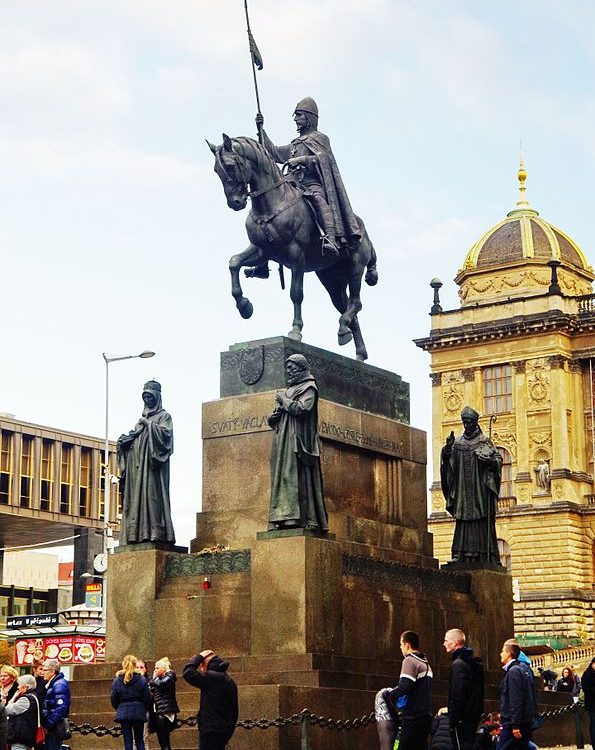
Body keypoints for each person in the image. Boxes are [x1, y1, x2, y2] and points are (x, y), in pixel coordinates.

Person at [256, 97, 360, 262]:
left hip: (311, 184)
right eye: (296, 116)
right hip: (292, 184)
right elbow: (273, 152)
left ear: (309, 118)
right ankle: (263, 254)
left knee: (319, 201)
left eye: (299, 116)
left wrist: (301, 160)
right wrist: (261, 129)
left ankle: (331, 239)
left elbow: (323, 159)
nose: (296, 119)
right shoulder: (295, 144)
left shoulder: (320, 139)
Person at [267, 354, 328, 532]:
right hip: (283, 441)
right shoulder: (288, 390)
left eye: (292, 369)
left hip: (298, 442)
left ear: (301, 368)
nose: (289, 373)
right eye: (287, 370)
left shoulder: (309, 388)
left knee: (296, 478)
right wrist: (273, 416)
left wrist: (284, 401)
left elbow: (303, 409)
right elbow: (275, 418)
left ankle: (300, 518)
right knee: (284, 478)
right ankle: (283, 517)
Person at [440, 406, 502, 564]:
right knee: (463, 521)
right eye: (464, 422)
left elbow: (498, 460)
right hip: (463, 489)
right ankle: (459, 555)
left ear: (475, 423)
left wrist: (490, 462)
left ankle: (485, 556)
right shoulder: (458, 442)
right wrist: (447, 449)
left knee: (481, 520)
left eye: (469, 422)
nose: (466, 425)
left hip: (479, 489)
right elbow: (447, 463)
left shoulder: (484, 441)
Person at [117, 380, 175, 546]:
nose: (147, 400)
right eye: (145, 397)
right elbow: (134, 439)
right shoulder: (139, 421)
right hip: (137, 468)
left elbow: (166, 438)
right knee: (137, 500)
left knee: (152, 497)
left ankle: (156, 532)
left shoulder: (164, 416)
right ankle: (137, 534)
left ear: (157, 397)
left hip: (152, 468)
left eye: (150, 397)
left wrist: (149, 425)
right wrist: (125, 442)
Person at [384, 631, 433, 750]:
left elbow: (403, 687)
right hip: (425, 716)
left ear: (407, 644)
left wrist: (388, 695)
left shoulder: (410, 661)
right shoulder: (425, 663)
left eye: (401, 644)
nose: (400, 647)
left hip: (413, 717)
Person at [182, 649, 238, 750]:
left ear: (205, 665)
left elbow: (188, 673)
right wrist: (229, 731)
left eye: (201, 665)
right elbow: (234, 711)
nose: (201, 669)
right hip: (223, 731)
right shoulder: (229, 681)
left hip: (210, 731)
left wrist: (199, 656)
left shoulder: (211, 677)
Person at [443, 628, 484, 750]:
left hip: (462, 718)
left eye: (446, 641)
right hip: (473, 715)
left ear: (455, 643)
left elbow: (457, 694)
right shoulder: (475, 664)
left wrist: (454, 718)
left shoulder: (458, 665)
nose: (444, 644)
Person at [497, 640, 535, 750]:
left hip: (513, 723)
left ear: (508, 654)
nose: (500, 654)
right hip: (520, 721)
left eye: (502, 651)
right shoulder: (521, 670)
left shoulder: (514, 672)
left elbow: (516, 700)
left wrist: (515, 725)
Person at [111, 654, 151, 750]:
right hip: (138, 711)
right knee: (140, 740)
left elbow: (113, 698)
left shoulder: (117, 681)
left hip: (124, 712)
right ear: (134, 664)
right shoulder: (142, 679)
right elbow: (147, 697)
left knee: (128, 741)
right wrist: (142, 707)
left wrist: (120, 707)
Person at [148, 657, 179, 750]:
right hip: (159, 711)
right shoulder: (159, 679)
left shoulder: (170, 676)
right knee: (163, 741)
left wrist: (154, 679)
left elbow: (161, 684)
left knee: (165, 741)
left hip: (165, 712)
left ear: (163, 669)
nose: (155, 670)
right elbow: (154, 689)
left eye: (157, 668)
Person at [4, 674, 40, 750]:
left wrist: (12, 699)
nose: (18, 687)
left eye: (19, 685)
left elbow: (7, 710)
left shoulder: (25, 699)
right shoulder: (34, 696)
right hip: (26, 736)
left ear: (26, 687)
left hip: (21, 738)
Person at [41, 658, 70, 750]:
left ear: (52, 671)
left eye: (45, 670)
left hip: (54, 727)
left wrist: (49, 723)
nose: (42, 672)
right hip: (52, 726)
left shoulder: (59, 684)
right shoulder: (54, 684)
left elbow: (61, 707)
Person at [136, 659, 151, 750]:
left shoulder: (149, 681)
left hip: (145, 711)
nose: (139, 669)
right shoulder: (130, 681)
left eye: (141, 667)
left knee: (144, 738)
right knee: (134, 740)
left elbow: (148, 698)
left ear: (145, 669)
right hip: (134, 711)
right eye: (137, 667)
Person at [581, 657, 595, 746]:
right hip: (592, 705)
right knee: (594, 726)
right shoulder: (587, 674)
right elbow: (586, 689)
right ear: (593, 663)